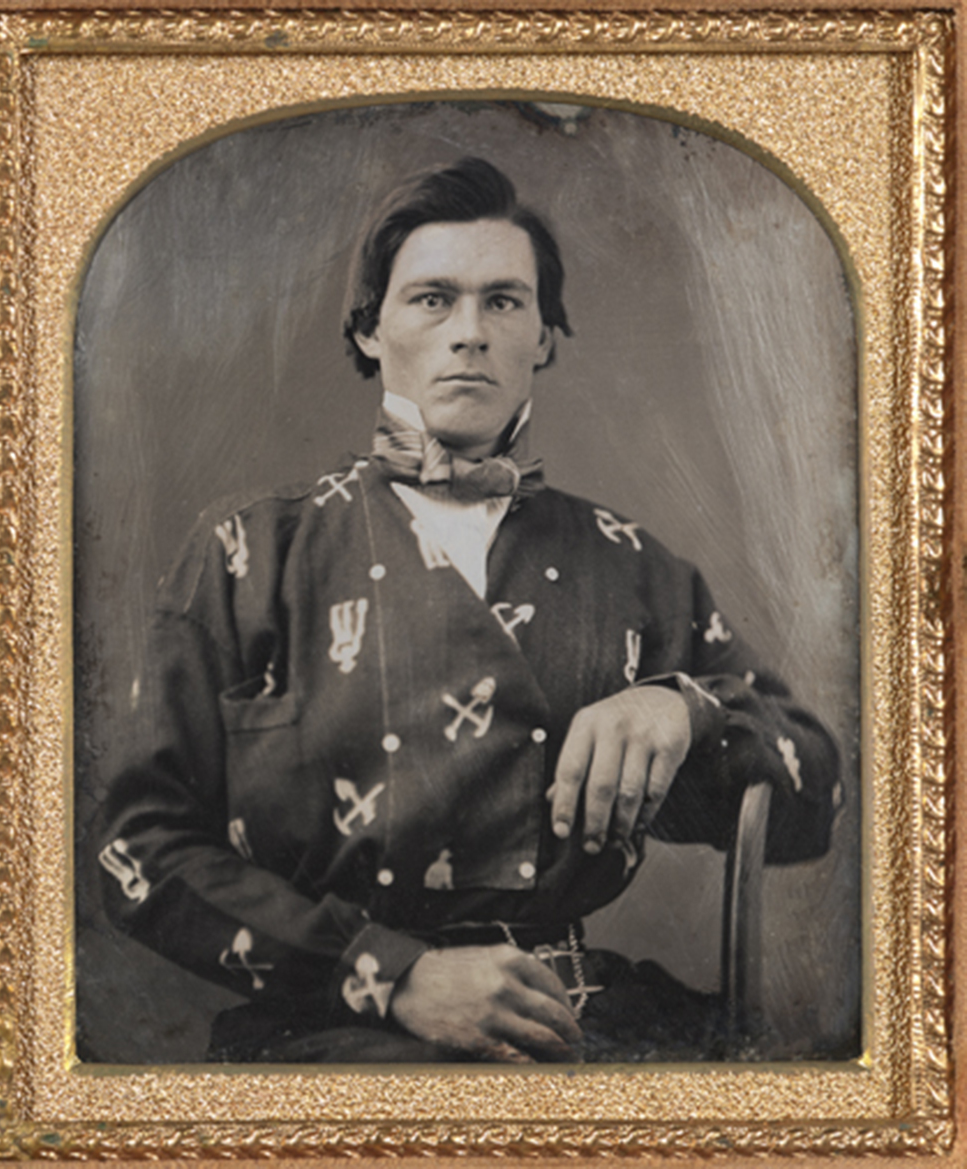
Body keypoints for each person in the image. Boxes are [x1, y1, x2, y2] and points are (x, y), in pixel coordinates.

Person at [98, 157, 840, 1064]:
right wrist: (395, 975)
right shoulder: (249, 556)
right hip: (338, 1031)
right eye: (432, 299)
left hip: (582, 1022)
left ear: (545, 337)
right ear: (371, 331)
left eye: (503, 302)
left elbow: (812, 800)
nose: (469, 334)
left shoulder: (628, 562)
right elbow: (138, 852)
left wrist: (685, 706)